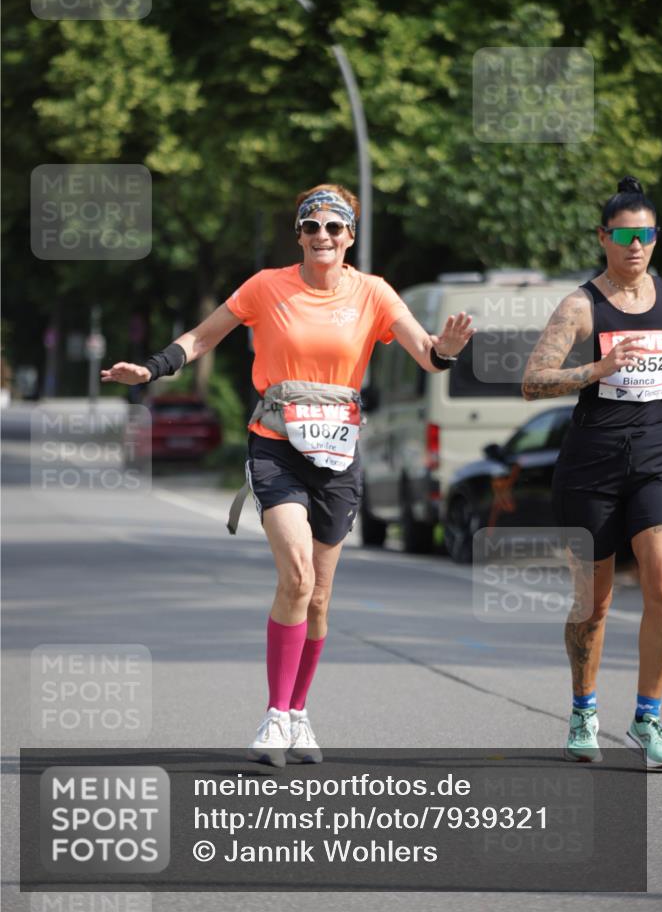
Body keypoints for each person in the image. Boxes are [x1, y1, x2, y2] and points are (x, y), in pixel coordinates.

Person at [101, 183, 475, 766]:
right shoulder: (266, 287)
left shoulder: (373, 293)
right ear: (298, 234)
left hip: (338, 455)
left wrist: (446, 350)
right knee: (297, 576)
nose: (321, 236)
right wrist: (151, 369)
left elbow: (425, 352)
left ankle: (299, 713)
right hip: (276, 444)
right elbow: (203, 337)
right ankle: (275, 716)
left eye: (333, 228)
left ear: (350, 237)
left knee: (320, 598)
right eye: (311, 227)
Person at [522, 175, 662, 768]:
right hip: (593, 465)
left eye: (648, 234)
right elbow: (533, 380)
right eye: (625, 234)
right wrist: (597, 367)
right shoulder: (582, 305)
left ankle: (648, 719)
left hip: (656, 457)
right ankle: (584, 711)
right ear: (604, 238)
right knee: (594, 603)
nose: (637, 245)